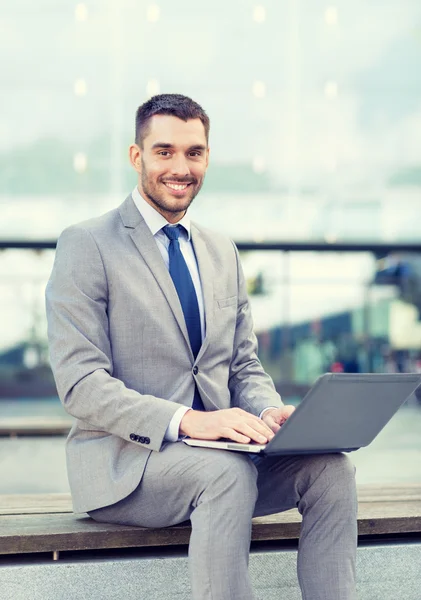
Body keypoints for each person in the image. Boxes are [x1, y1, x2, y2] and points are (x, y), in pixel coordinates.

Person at [45, 93, 358, 600]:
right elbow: (81, 385)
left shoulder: (221, 251)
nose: (180, 167)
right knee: (226, 473)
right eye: (164, 151)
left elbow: (242, 364)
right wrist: (188, 421)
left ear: (207, 158)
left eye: (194, 152)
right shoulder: (88, 244)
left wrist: (270, 412)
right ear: (136, 156)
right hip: (128, 467)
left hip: (223, 454)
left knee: (330, 470)